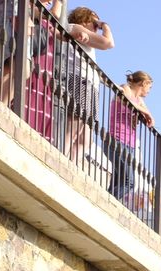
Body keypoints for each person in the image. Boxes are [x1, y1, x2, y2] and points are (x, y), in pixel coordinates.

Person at [60, 7, 114, 179]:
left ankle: (71, 165)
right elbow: (108, 43)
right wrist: (105, 26)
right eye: (94, 21)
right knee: (74, 126)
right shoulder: (75, 27)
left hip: (89, 83)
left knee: (86, 138)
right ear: (84, 19)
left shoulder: (83, 36)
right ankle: (61, 159)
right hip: (79, 80)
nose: (96, 26)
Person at [107, 70, 153, 207]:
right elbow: (129, 102)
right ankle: (107, 203)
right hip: (117, 139)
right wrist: (144, 112)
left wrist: (146, 113)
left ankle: (107, 202)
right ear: (143, 83)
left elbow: (152, 120)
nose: (149, 92)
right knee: (129, 181)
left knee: (118, 180)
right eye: (149, 87)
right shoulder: (125, 88)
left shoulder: (140, 100)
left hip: (130, 144)